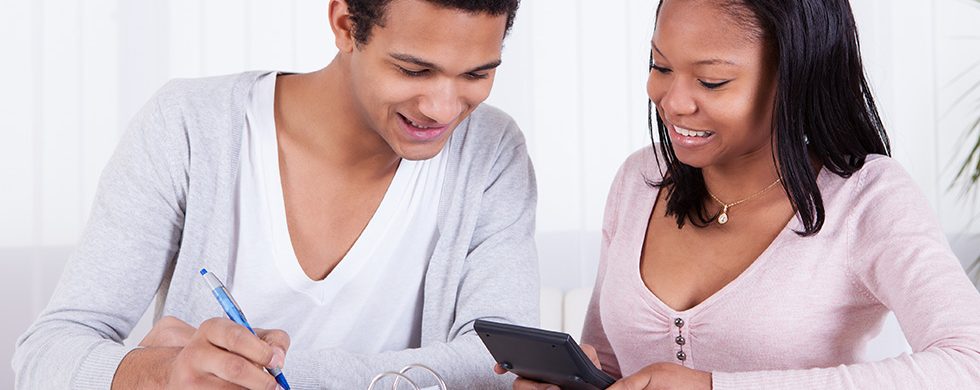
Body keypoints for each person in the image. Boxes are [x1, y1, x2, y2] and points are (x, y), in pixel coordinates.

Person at [13, 0, 539, 388]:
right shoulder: (192, 126)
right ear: (344, 24)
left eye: (476, 74)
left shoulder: (491, 152)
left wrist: (263, 375)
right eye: (413, 69)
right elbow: (47, 353)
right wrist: (164, 375)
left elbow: (494, 364)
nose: (444, 109)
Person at [503, 0, 980, 389]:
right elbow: (609, 364)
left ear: (796, 78)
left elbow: (967, 362)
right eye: (660, 66)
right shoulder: (639, 179)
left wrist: (715, 386)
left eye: (712, 81)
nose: (672, 101)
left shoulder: (867, 197)